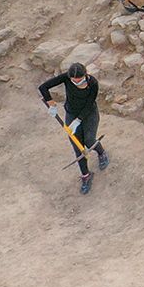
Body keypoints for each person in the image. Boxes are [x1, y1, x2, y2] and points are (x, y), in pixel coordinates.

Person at [38, 62, 108, 196]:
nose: (76, 82)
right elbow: (43, 87)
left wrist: (78, 120)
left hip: (89, 114)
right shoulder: (66, 77)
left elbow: (89, 104)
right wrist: (51, 104)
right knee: (77, 145)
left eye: (79, 80)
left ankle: (101, 152)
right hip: (71, 113)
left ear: (85, 75)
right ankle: (86, 175)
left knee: (89, 140)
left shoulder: (93, 83)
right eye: (73, 81)